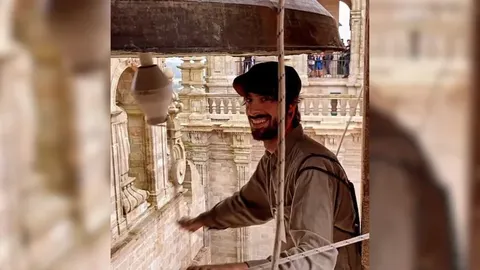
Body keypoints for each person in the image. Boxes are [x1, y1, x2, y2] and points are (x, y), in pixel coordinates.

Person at [178, 62, 361, 270]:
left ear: (291, 107)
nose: (253, 109)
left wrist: (238, 268)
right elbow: (250, 204)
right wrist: (205, 220)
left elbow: (315, 259)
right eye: (249, 99)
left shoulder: (312, 168)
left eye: (265, 99)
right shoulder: (274, 161)